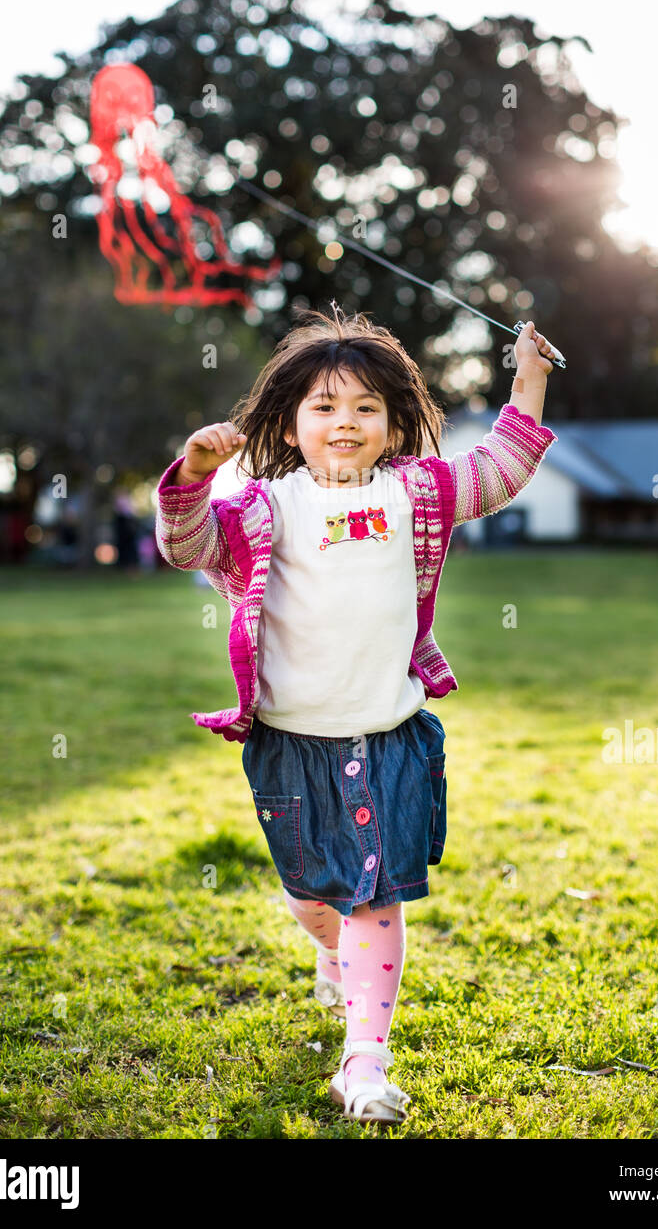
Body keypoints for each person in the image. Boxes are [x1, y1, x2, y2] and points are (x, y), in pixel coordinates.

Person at [154, 302, 558, 1124]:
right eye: (326, 407)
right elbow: (186, 545)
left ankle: (364, 1063)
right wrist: (192, 475)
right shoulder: (263, 507)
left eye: (367, 407)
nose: (347, 423)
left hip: (391, 736)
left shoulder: (419, 491)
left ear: (393, 419)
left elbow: (502, 468)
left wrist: (530, 379)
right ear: (292, 421)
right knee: (315, 896)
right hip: (288, 745)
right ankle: (332, 954)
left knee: (376, 897)